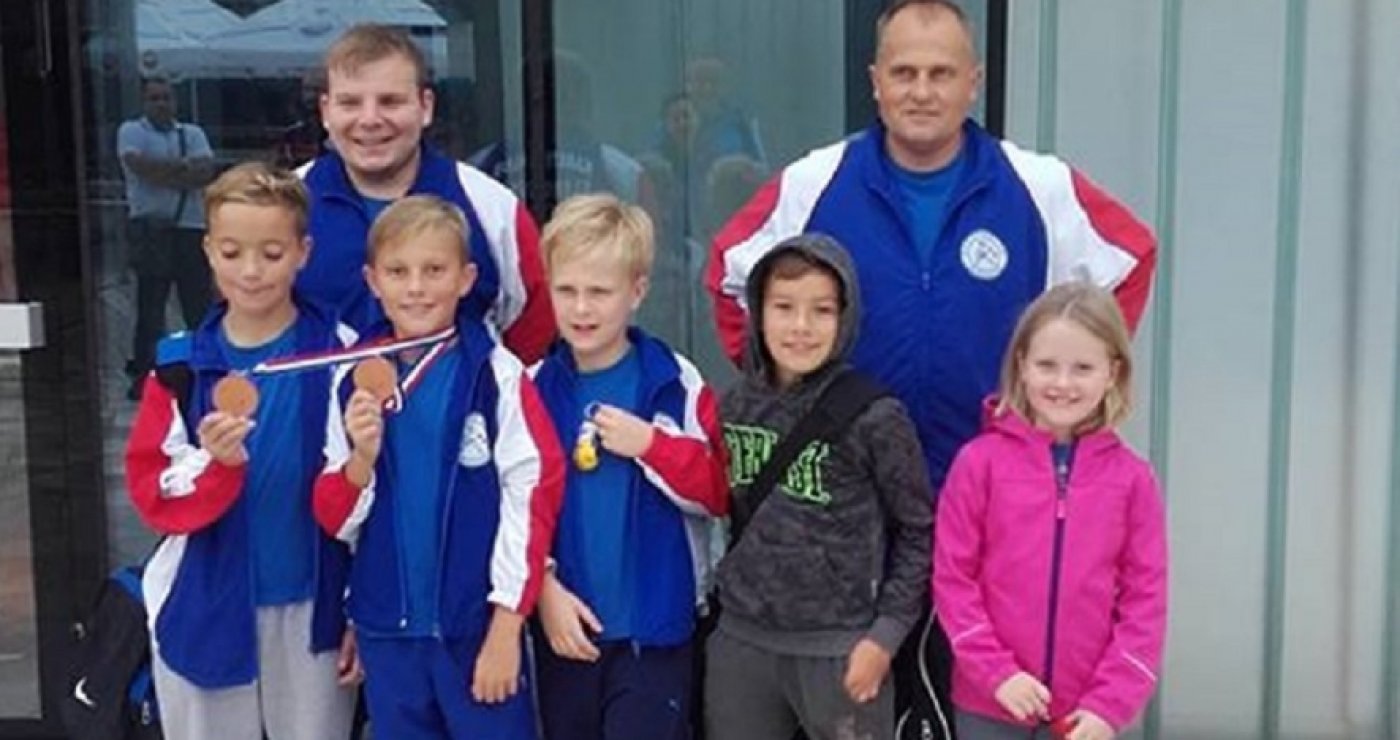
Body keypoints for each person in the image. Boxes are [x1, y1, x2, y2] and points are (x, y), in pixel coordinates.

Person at [706, 3, 1157, 733]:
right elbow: (729, 273)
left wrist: (1056, 401)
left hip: (987, 499)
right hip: (851, 517)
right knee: (864, 707)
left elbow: (1130, 258)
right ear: (875, 81)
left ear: (973, 81)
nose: (921, 91)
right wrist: (794, 401)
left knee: (967, 703)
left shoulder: (1036, 186)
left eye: (941, 73)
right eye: (904, 72)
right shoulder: (816, 182)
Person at [311, 194, 565, 739]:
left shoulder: (496, 376)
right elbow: (335, 521)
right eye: (398, 272)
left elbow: (531, 496)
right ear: (372, 281)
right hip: (387, 630)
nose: (416, 287)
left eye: (434, 270)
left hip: (475, 628)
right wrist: (361, 458)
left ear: (466, 278)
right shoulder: (350, 380)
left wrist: (507, 623)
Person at [124, 162, 359, 739]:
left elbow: (368, 498)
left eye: (271, 254)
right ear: (208, 250)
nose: (251, 271)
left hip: (315, 610)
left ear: (303, 252)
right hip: (205, 606)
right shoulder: (179, 366)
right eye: (232, 253)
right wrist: (216, 468)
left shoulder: (342, 356)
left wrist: (363, 608)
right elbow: (152, 493)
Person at [706, 233, 933, 740]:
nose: (801, 327)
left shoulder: (875, 416)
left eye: (822, 311)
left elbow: (920, 530)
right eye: (783, 307)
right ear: (758, 313)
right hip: (743, 641)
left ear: (845, 318)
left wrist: (885, 636)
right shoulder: (733, 405)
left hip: (841, 648)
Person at [527, 194, 729, 740]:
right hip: (564, 626)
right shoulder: (531, 386)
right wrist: (542, 588)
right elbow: (510, 508)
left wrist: (652, 446)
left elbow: (718, 490)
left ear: (637, 291)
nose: (582, 309)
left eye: (600, 292)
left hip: (654, 632)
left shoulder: (674, 380)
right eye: (567, 291)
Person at [933, 282, 1167, 740]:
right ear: (1022, 366)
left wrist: (1109, 704)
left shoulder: (1133, 481)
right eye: (1047, 365)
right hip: (991, 706)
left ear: (1112, 372)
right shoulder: (979, 464)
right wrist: (997, 673)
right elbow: (953, 580)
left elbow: (1146, 602)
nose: (1062, 383)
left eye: (1082, 368)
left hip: (1085, 716)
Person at [298, 24, 554, 363]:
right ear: (325, 111)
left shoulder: (492, 208)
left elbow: (534, 330)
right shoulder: (285, 207)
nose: (369, 119)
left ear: (426, 106)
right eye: (350, 103)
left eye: (390, 101)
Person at [118, 76, 217, 400]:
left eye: (166, 97)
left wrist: (165, 172)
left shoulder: (192, 133)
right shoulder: (131, 131)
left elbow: (206, 173)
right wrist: (184, 169)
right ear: (144, 102)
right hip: (150, 230)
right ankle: (145, 376)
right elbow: (139, 166)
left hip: (190, 229)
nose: (161, 104)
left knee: (198, 308)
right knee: (150, 310)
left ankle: (207, 370)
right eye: (154, 98)